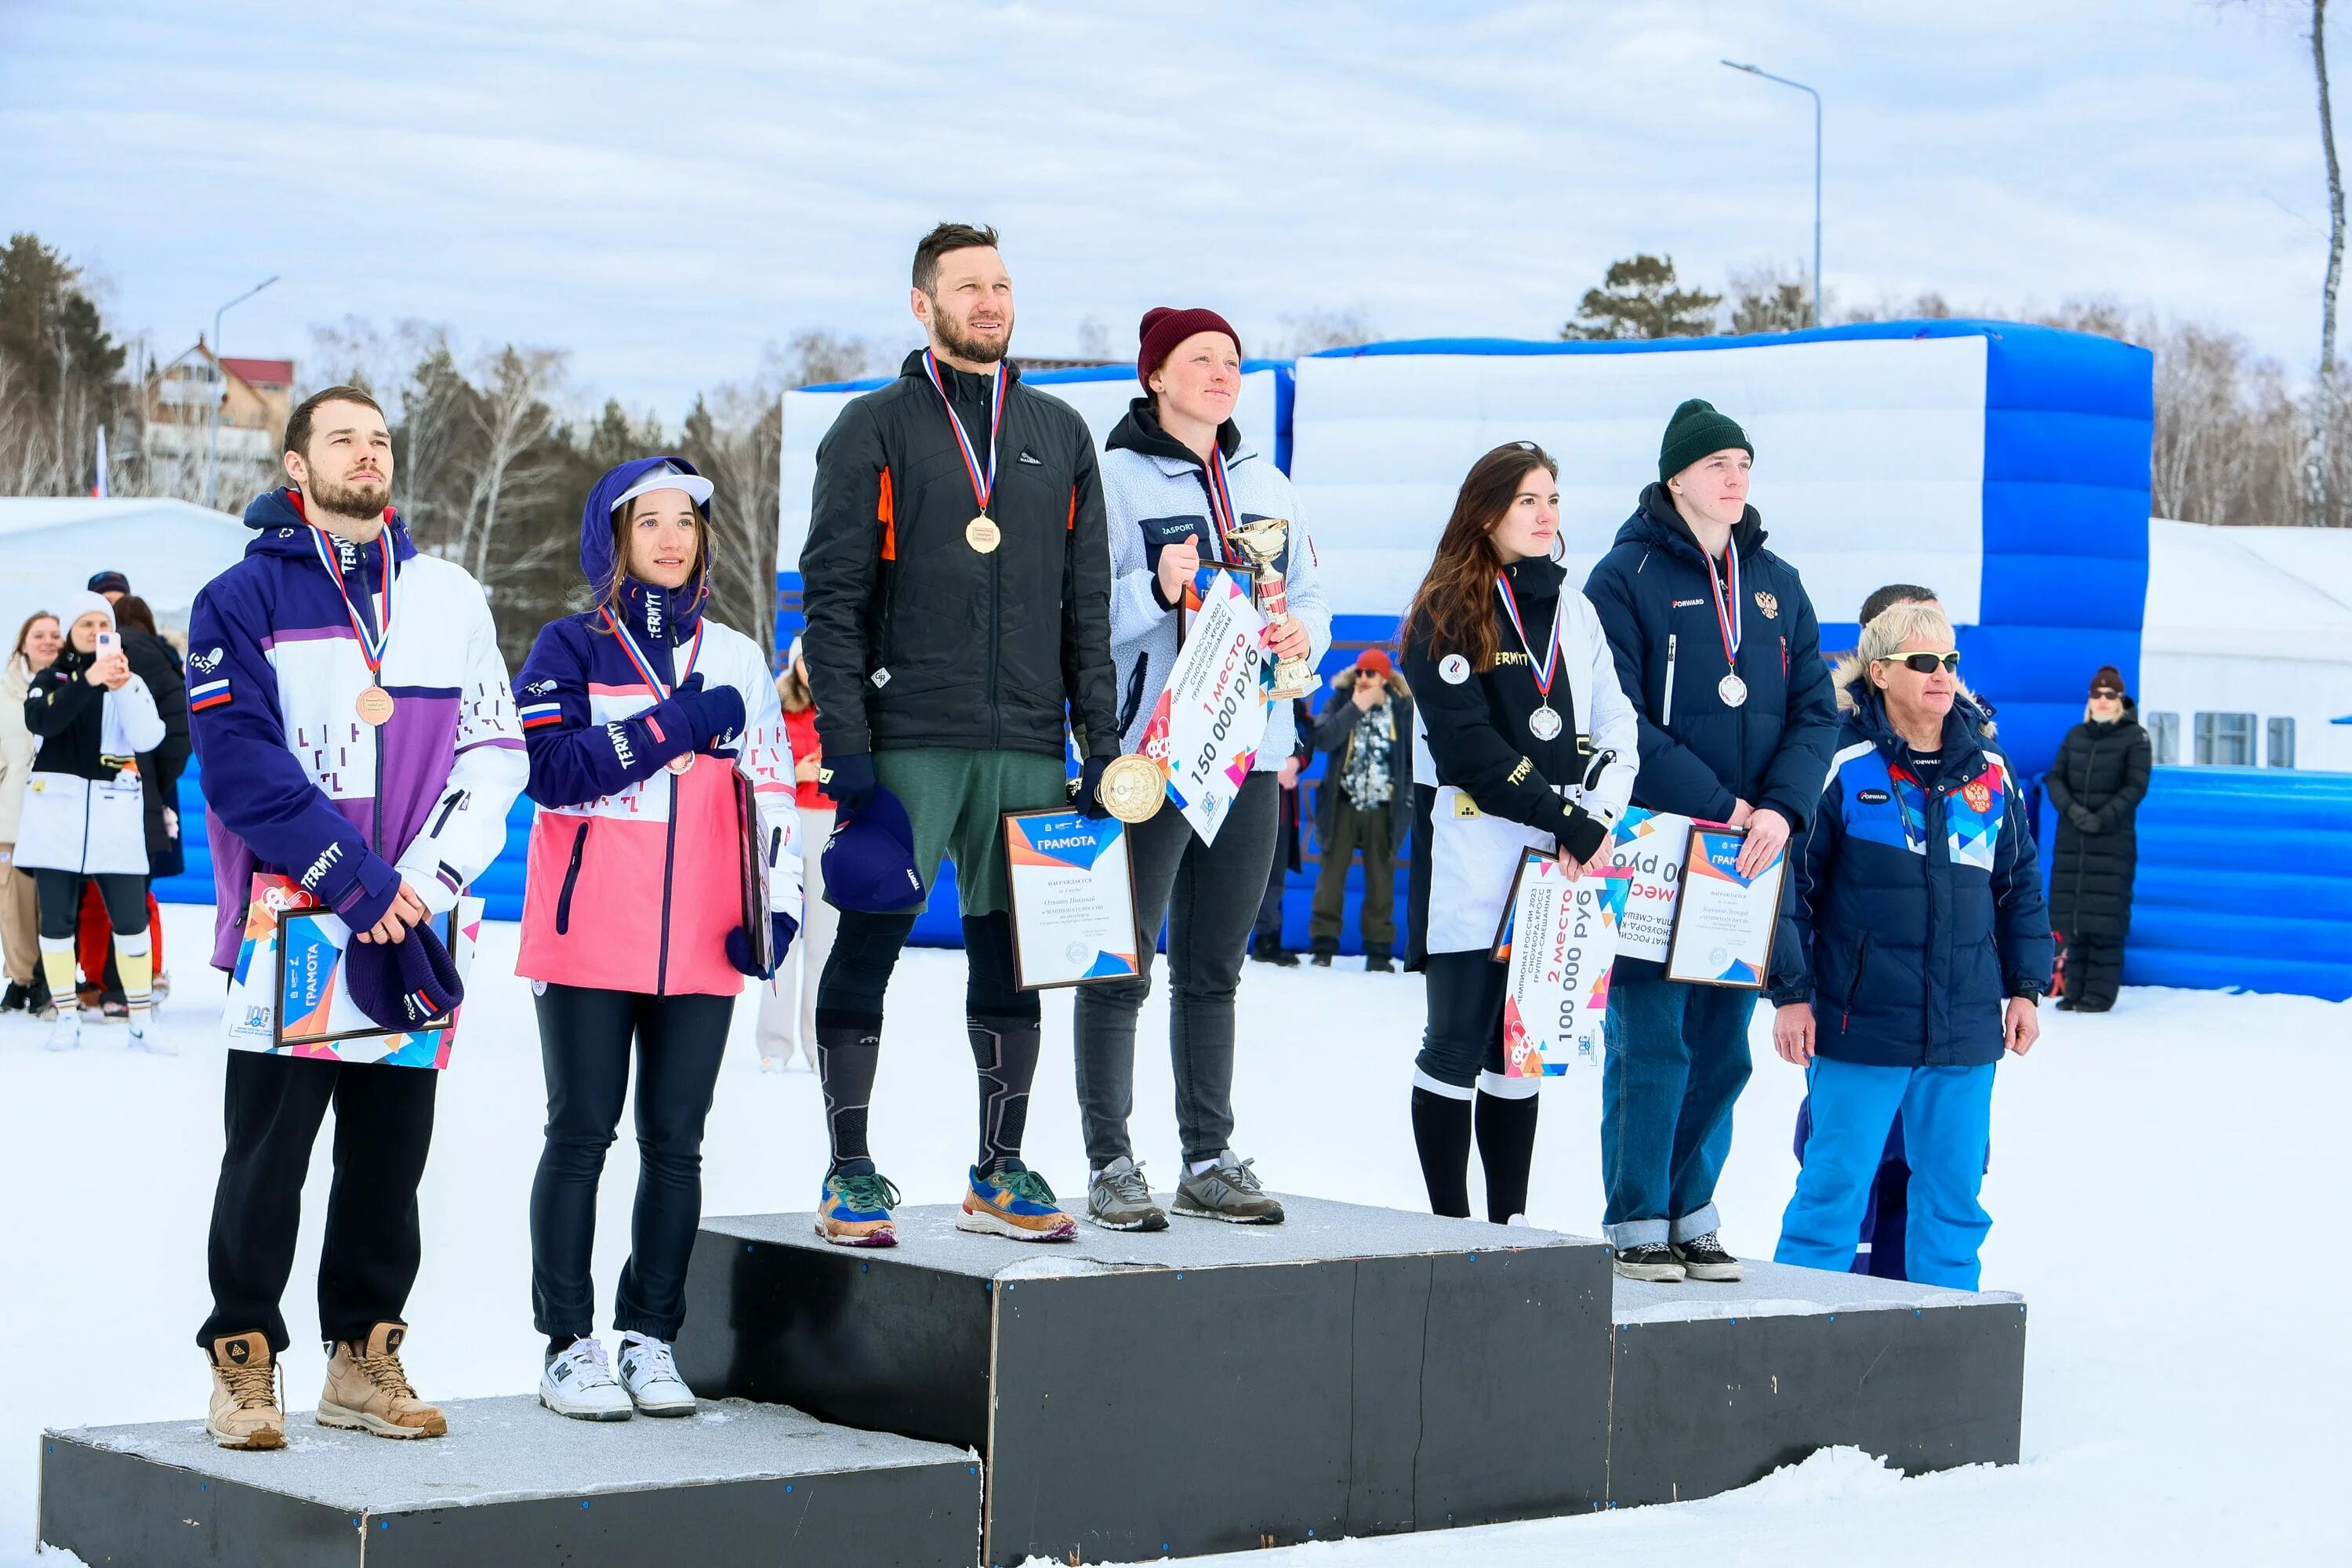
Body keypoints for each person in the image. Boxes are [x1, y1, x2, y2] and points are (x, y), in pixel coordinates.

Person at [187, 387, 528, 1451]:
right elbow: (238, 766)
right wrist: (351, 876)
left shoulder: (447, 594)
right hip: (297, 914)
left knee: (389, 1158)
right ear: (298, 466)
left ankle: (361, 1358)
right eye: (342, 438)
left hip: (412, 921)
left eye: (379, 440)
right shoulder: (237, 599)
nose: (366, 454)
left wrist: (419, 879)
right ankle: (244, 1357)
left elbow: (496, 749)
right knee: (267, 1155)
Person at [797, 222, 1119, 1246]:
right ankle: (850, 1173)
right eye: (968, 286)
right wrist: (847, 739)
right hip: (908, 741)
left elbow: (1089, 610)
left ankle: (1001, 1167)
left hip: (1028, 746)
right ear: (922, 303)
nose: (990, 302)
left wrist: (1099, 746)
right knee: (870, 943)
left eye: (1002, 285)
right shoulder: (873, 428)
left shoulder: (1061, 433)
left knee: (1016, 960)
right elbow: (834, 599)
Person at [515, 456, 804, 1421]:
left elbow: (770, 790)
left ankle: (649, 1337)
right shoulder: (565, 646)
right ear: (616, 537)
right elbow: (553, 772)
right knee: (581, 1135)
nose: (673, 538)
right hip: (588, 933)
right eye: (652, 522)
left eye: (687, 521)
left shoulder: (734, 653)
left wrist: (782, 901)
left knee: (677, 1144)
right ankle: (569, 1345)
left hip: (703, 939)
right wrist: (675, 723)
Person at [1073, 305, 1331, 1231]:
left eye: (1231, 359)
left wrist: (1308, 632)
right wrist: (1158, 588)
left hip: (1252, 751)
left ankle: (1209, 1154)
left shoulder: (1269, 481)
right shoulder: (1112, 477)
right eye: (1201, 358)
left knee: (1215, 965)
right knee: (1123, 961)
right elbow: (1084, 613)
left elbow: (1308, 595)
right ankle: (1110, 1160)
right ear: (1156, 376)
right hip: (1154, 750)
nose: (1223, 373)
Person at [1583, 399, 1838, 1283]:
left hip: (1748, 853)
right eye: (1717, 463)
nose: (1735, 477)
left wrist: (1779, 808)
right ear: (1675, 478)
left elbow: (1817, 708)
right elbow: (1614, 715)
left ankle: (1692, 1210)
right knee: (1651, 1041)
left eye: (1744, 462)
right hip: (1661, 842)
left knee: (1723, 1046)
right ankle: (1635, 1218)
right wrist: (1717, 801)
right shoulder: (1623, 578)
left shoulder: (1777, 581)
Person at [1767, 601, 2049, 1289]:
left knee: (1954, 1203)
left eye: (1951, 662)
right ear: (1882, 672)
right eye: (1924, 662)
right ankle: (1798, 1343)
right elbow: (1787, 890)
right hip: (1857, 1025)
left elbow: (2018, 888)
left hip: (1965, 1028)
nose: (1942, 675)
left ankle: (1945, 1356)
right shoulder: (1840, 762)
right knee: (1831, 1196)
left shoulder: (1990, 769)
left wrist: (2025, 988)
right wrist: (1791, 996)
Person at [1400, 443, 1639, 1223]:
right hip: (1478, 849)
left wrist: (1594, 817)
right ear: (1486, 510)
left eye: (1553, 499)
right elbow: (1467, 746)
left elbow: (1615, 724)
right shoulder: (1445, 605)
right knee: (1457, 1040)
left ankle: (1509, 1225)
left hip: (1563, 856)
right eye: (1528, 500)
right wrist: (1564, 815)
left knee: (1520, 1047)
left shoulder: (1578, 609)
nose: (1545, 515)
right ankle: (1448, 1224)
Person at [15, 593, 166, 1051]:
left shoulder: (127, 679)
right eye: (85, 623)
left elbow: (149, 736)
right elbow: (44, 721)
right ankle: (66, 1016)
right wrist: (89, 680)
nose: (95, 630)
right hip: (55, 818)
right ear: (71, 631)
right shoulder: (51, 677)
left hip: (114, 814)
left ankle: (140, 1019)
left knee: (130, 919)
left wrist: (123, 688)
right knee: (57, 922)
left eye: (104, 623)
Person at [72, 593, 188, 1014]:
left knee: (99, 894)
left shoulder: (123, 656)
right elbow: (180, 729)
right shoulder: (168, 657)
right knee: (137, 892)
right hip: (146, 790)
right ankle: (140, 979)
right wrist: (160, 779)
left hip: (116, 791)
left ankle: (105, 983)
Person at [2043, 665, 2151, 1014]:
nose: (2102, 701)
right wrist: (2075, 813)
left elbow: (2135, 786)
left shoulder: (2136, 738)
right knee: (2075, 919)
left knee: (2105, 919)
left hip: (2111, 842)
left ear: (2120, 700)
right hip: (2074, 841)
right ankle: (2074, 990)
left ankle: (2100, 995)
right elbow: (2055, 778)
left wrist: (2102, 818)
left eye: (2110, 695)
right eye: (2096, 695)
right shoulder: (2076, 735)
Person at [755, 636, 839, 1071]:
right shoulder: (777, 704)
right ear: (795, 664)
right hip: (786, 821)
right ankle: (775, 1043)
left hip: (829, 822)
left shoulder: (843, 706)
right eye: (808, 660)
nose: (814, 668)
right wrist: (798, 771)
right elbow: (759, 762)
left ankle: (816, 1042)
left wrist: (823, 772)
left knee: (825, 940)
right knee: (780, 930)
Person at [1308, 649, 1414, 969]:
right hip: (1343, 801)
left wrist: (1407, 796)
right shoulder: (1341, 699)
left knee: (1382, 878)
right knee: (1331, 875)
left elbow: (1413, 754)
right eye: (1360, 673)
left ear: (1385, 677)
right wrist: (1355, 708)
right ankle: (1323, 945)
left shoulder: (1402, 706)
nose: (1364, 679)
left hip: (1384, 805)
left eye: (1371, 674)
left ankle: (1379, 950)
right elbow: (1323, 739)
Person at [0, 612, 62, 1015]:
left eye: (56, 634)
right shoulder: (4, 691)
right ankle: (22, 977)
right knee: (13, 904)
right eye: (38, 635)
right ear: (23, 643)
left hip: (62, 814)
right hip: (12, 814)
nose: (48, 641)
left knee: (54, 902)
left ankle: (47, 978)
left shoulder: (76, 685)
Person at [1250, 698, 1314, 967]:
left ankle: (1268, 937)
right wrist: (1271, 764)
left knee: (1274, 874)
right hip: (1246, 796)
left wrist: (1295, 762)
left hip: (1281, 805)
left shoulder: (1292, 702)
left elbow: (1309, 733)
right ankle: (1256, 937)